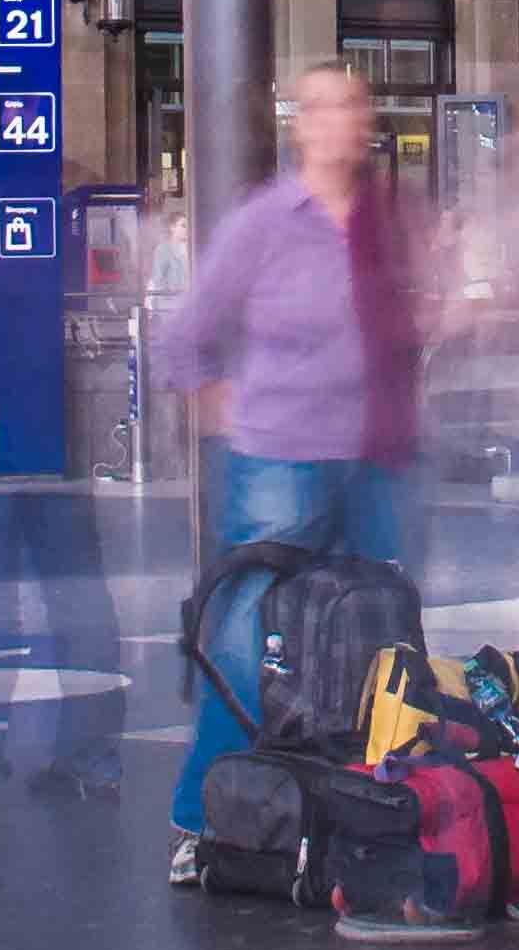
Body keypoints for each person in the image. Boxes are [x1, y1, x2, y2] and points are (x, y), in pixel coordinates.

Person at [154, 65, 434, 850]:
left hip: (378, 452)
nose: (342, 121)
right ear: (300, 125)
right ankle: (204, 808)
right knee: (249, 637)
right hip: (282, 456)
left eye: (355, 106)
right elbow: (187, 334)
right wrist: (226, 408)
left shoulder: (388, 218)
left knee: (379, 637)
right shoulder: (267, 221)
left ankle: (358, 802)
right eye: (325, 108)